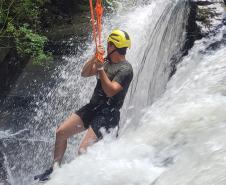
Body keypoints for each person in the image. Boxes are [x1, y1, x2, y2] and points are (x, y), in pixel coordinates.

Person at [34, 29, 133, 182]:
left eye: (109, 44)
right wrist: (95, 58)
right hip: (93, 107)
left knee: (83, 150)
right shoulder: (106, 61)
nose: (107, 46)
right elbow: (85, 73)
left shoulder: (126, 69)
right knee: (61, 132)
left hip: (108, 113)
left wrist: (100, 69)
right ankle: (54, 171)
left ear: (114, 45)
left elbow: (111, 91)